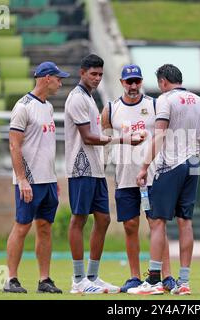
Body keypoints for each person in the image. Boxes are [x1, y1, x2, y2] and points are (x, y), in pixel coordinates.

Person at [130, 64, 200, 295]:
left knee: (157, 222)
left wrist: (144, 167)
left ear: (163, 82)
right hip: (193, 166)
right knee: (185, 222)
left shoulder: (165, 100)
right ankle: (184, 282)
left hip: (170, 166)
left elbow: (159, 135)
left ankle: (154, 280)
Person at [64, 54, 142, 294]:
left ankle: (92, 276)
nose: (97, 78)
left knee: (104, 219)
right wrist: (124, 139)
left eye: (100, 74)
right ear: (82, 73)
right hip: (81, 167)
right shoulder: (76, 98)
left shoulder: (89, 97)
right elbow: (88, 137)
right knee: (79, 219)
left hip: (95, 169)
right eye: (93, 74)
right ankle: (78, 281)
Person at [101, 64, 176, 293]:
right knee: (130, 226)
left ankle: (167, 276)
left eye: (136, 81)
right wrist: (102, 168)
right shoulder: (111, 109)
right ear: (122, 83)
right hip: (124, 177)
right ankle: (134, 277)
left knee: (157, 225)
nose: (133, 86)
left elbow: (166, 136)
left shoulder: (155, 105)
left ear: (141, 82)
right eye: (128, 81)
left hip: (153, 176)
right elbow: (103, 141)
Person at [4, 61, 70, 294]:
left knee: (45, 228)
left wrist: (54, 179)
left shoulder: (49, 107)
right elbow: (14, 145)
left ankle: (44, 280)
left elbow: (45, 146)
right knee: (22, 226)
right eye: (58, 78)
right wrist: (22, 179)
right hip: (29, 181)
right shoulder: (22, 107)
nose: (61, 82)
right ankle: (11, 279)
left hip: (48, 181)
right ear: (45, 78)